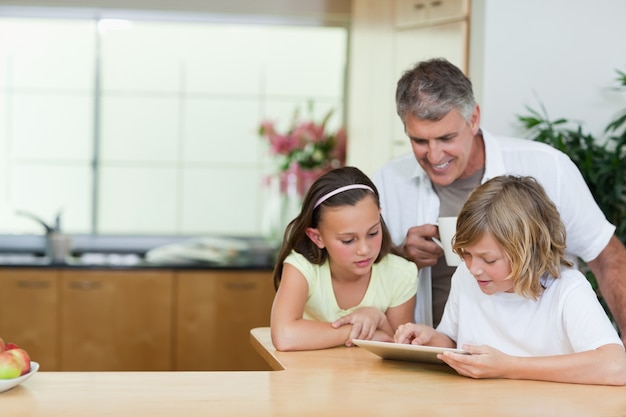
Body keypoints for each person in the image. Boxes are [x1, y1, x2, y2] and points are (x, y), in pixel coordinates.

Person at [373, 57, 626, 343]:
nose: (434, 156)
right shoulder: (388, 181)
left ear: (474, 119)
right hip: (440, 360)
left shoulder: (548, 167)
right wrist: (402, 258)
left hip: (539, 356)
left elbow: (606, 257)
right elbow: (358, 273)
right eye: (419, 141)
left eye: (447, 138)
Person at [394, 175, 626, 386]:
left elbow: (616, 367)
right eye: (467, 254)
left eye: (489, 259)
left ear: (528, 252)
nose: (474, 269)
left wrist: (509, 367)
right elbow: (454, 343)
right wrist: (429, 338)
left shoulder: (567, 289)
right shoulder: (466, 277)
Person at [270, 166, 418, 351]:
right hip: (307, 378)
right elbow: (284, 336)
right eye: (348, 240)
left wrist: (378, 318)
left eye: (372, 233)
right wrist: (354, 332)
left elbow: (399, 348)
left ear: (379, 215)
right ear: (317, 237)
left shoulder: (401, 274)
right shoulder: (302, 268)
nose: (364, 249)